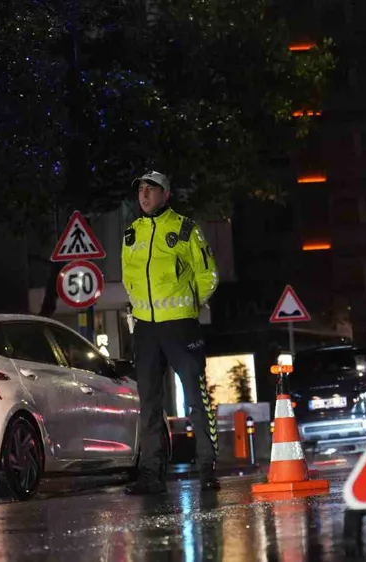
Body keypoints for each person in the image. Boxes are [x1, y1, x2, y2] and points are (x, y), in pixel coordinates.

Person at [122, 171, 221, 495]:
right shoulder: (132, 233)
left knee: (196, 397)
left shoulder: (185, 229)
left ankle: (207, 468)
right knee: (149, 403)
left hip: (180, 324)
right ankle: (151, 474)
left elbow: (208, 275)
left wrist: (189, 306)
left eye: (151, 189)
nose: (144, 195)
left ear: (166, 194)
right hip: (146, 328)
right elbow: (128, 277)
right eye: (141, 190)